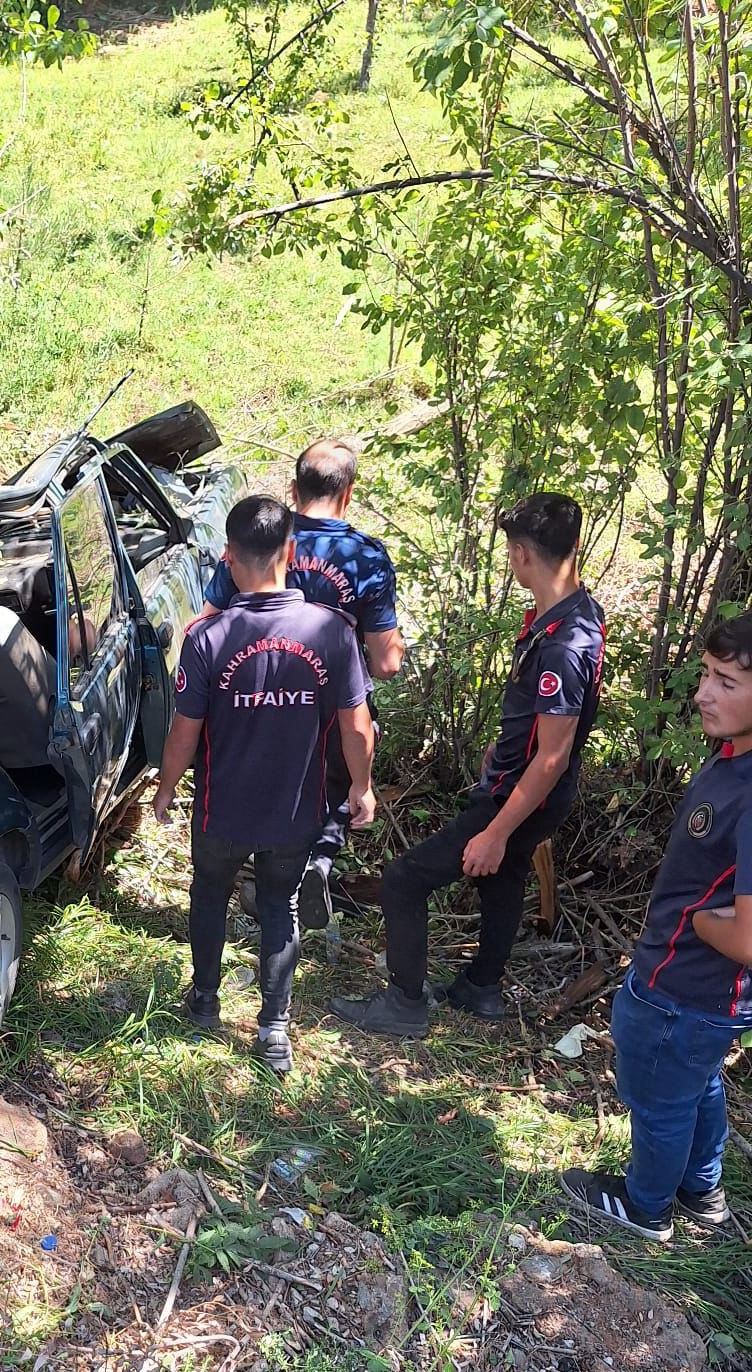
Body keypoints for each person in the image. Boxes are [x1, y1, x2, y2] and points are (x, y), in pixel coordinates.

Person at [330, 492, 605, 1037]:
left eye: (510, 552)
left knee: (405, 880)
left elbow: (551, 756)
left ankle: (404, 1002)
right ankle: (481, 987)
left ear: (523, 555)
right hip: (527, 785)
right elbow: (543, 731)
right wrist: (502, 749)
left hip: (520, 797)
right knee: (503, 878)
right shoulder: (573, 613)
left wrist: (498, 829)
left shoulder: (565, 647)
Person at [153, 494, 377, 1073]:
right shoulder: (331, 632)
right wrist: (361, 787)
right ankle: (273, 1031)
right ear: (291, 552)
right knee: (279, 905)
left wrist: (165, 788)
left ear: (228, 558)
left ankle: (204, 1002)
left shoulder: (208, 639)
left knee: (210, 893)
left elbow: (184, 731)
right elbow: (358, 726)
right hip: (295, 810)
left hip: (221, 808)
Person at [561, 612, 752, 1241]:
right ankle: (702, 1191)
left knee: (660, 1100)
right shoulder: (731, 760)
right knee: (696, 1087)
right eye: (705, 675)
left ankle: (646, 1208)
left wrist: (698, 922)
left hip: (686, 990)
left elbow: (747, 937)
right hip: (698, 996)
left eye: (726, 681)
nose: (704, 693)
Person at [197, 437, 405, 930]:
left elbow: (207, 621)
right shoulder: (367, 559)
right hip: (332, 706)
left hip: (253, 701)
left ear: (293, 488)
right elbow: (387, 664)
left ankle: (258, 880)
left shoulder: (260, 540)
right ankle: (316, 864)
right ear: (349, 493)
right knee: (336, 788)